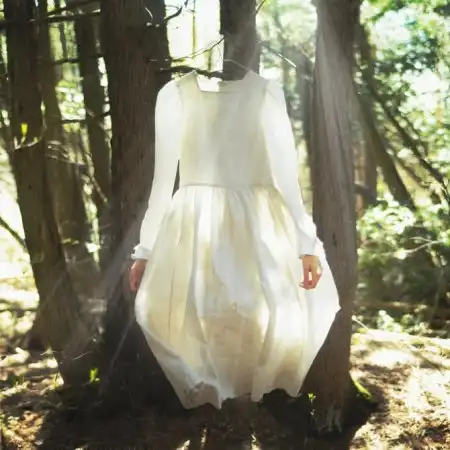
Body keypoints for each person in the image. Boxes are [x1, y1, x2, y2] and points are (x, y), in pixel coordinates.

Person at [129, 70, 340, 410]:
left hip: (256, 222)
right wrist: (146, 249)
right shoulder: (176, 95)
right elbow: (162, 181)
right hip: (197, 225)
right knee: (191, 310)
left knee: (252, 309)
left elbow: (287, 178)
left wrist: (306, 244)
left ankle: (248, 393)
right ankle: (215, 391)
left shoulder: (265, 94)